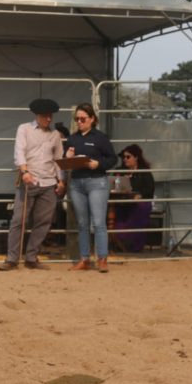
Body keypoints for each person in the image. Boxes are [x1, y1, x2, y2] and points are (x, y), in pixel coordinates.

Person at [0, 98, 66, 271]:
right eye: (45, 116)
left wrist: (61, 181)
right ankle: (12, 258)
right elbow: (19, 150)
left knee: (44, 221)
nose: (49, 119)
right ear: (37, 116)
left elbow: (59, 159)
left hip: (49, 182)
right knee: (18, 220)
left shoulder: (55, 135)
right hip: (29, 180)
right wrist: (24, 171)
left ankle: (31, 256)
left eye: (50, 116)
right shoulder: (24, 129)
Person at [64, 103, 118, 273]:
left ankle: (102, 258)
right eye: (77, 119)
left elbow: (113, 159)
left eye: (83, 119)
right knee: (82, 223)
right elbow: (65, 163)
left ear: (92, 119)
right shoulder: (72, 138)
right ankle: (85, 259)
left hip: (97, 182)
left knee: (99, 222)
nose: (79, 122)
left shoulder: (100, 138)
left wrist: (98, 163)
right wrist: (67, 157)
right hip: (77, 183)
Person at [112, 144, 155, 253]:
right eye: (123, 157)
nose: (125, 159)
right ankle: (118, 243)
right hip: (122, 201)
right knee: (113, 209)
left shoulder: (144, 172)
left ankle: (133, 244)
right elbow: (111, 184)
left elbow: (150, 189)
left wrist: (140, 195)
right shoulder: (119, 171)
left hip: (137, 202)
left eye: (128, 157)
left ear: (136, 157)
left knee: (142, 207)